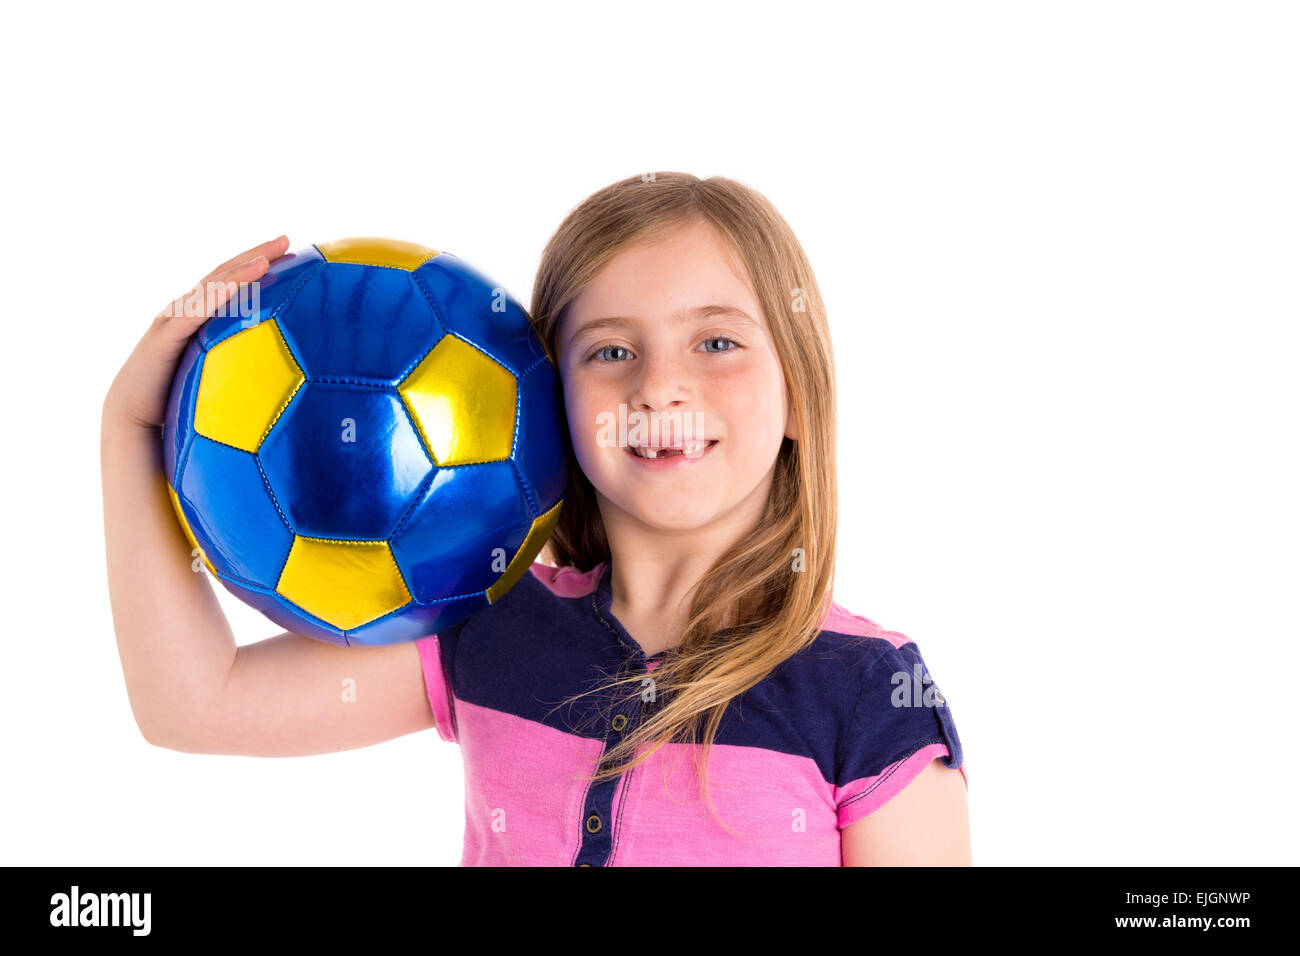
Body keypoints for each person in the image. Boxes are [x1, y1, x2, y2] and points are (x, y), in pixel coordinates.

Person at [101, 172, 970, 866]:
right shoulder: (490, 624)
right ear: (546, 404)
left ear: (796, 395)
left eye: (717, 342)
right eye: (611, 350)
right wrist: (131, 425)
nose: (660, 386)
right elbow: (194, 703)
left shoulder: (869, 689)